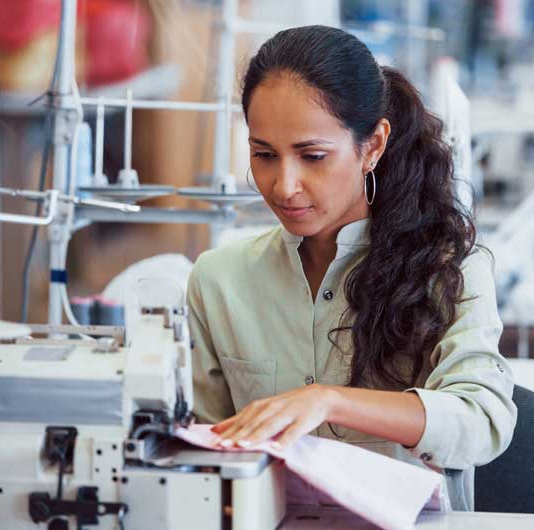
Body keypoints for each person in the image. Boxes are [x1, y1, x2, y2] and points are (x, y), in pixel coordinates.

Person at [186, 25, 516, 511]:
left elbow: (481, 421)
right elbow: (200, 455)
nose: (284, 186)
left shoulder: (449, 268)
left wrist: (331, 400)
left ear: (373, 146)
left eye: (312, 156)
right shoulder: (219, 281)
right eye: (264, 155)